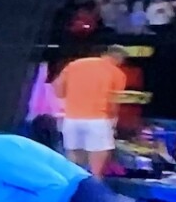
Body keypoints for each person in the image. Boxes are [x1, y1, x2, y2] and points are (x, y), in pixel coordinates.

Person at [52, 45, 128, 178]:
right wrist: (113, 122)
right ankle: (94, 185)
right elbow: (114, 101)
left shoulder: (74, 65)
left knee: (74, 162)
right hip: (98, 120)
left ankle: (73, 186)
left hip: (72, 119)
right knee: (96, 170)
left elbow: (58, 90)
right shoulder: (116, 73)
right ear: (120, 58)